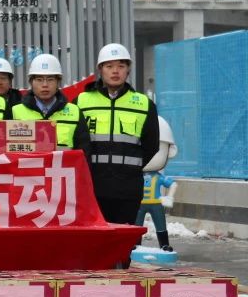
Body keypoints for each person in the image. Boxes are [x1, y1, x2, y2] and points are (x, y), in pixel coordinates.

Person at [76, 43, 159, 226]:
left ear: (128, 70)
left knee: (124, 239)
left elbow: (151, 145)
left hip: (128, 189)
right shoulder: (81, 101)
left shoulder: (144, 104)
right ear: (100, 69)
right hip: (91, 186)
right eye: (109, 66)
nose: (115, 71)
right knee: (95, 238)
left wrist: (129, 167)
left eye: (121, 66)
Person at [10, 54, 88, 151]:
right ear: (31, 82)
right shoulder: (15, 112)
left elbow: (83, 152)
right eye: (39, 80)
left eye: (50, 79)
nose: (45, 85)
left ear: (58, 82)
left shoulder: (74, 112)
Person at [138, 117, 178, 252]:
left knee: (160, 224)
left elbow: (173, 184)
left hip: (156, 203)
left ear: (170, 151)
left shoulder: (158, 177)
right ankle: (135, 243)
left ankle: (164, 244)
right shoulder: (137, 176)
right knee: (137, 225)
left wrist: (169, 197)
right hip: (139, 203)